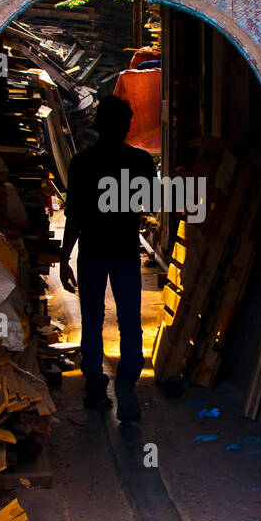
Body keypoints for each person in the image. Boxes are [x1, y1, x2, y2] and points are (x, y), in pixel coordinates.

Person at [60, 95, 156, 422]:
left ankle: (97, 390)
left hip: (92, 253)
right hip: (126, 253)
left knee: (92, 320)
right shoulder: (141, 162)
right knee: (130, 321)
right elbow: (152, 203)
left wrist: (64, 259)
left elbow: (73, 217)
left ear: (98, 125)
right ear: (126, 127)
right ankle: (127, 383)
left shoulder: (82, 163)